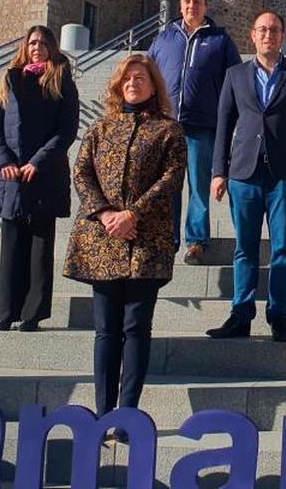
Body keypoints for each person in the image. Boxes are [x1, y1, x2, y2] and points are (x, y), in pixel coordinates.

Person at [62, 54, 186, 438]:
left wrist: (132, 214)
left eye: (141, 78)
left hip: (146, 239)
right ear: (118, 86)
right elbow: (81, 172)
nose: (134, 83)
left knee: (136, 326)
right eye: (128, 78)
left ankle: (127, 413)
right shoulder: (100, 128)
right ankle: (103, 412)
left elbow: (171, 178)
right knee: (106, 329)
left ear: (153, 86)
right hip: (103, 239)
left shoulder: (168, 130)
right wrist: (105, 214)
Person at [208, 10, 286, 342]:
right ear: (252, 36)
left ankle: (279, 315)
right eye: (262, 29)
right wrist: (218, 171)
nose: (268, 34)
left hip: (283, 176)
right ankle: (240, 315)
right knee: (245, 248)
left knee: (282, 248)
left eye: (275, 30)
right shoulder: (235, 75)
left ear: (283, 36)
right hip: (243, 174)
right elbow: (224, 125)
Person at [0, 25, 80, 332]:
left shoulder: (61, 80)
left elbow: (66, 131)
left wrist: (37, 162)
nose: (37, 47)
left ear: (52, 47)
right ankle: (6, 311)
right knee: (11, 245)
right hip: (11, 176)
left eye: (43, 42)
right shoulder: (9, 79)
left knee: (40, 248)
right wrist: (4, 162)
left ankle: (33, 313)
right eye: (32, 42)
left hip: (44, 174)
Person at [147, 0, 240, 264]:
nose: (191, 6)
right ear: (180, 5)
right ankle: (168, 238)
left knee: (199, 185)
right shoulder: (163, 39)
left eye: (197, 1)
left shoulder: (221, 40)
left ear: (205, 7)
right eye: (187, 1)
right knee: (168, 184)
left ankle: (196, 241)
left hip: (203, 125)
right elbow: (148, 75)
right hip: (167, 126)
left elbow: (234, 82)